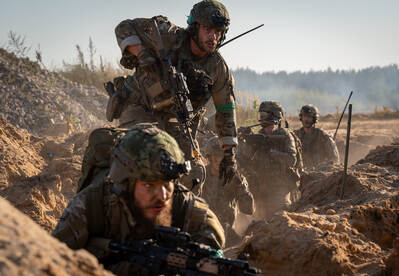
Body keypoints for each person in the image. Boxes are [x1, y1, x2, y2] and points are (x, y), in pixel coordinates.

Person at [53, 124, 225, 275]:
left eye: (167, 184)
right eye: (149, 185)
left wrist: (209, 255)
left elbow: (212, 235)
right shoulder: (89, 206)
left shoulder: (183, 205)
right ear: (125, 184)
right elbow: (50, 263)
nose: (163, 196)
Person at [108, 0, 237, 188]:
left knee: (193, 174)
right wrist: (142, 53)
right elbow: (124, 27)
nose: (213, 36)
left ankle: (178, 213)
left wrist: (229, 154)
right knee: (142, 158)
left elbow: (226, 111)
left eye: (218, 32)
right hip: (139, 107)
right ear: (194, 28)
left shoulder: (218, 68)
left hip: (177, 120)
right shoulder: (168, 36)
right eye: (208, 29)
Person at [238, 101, 302, 219]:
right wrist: (244, 141)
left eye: (263, 116)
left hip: (279, 188)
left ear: (273, 116)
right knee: (259, 222)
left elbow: (291, 160)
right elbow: (247, 160)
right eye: (260, 116)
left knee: (281, 218)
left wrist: (273, 152)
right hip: (261, 188)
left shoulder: (285, 136)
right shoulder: (258, 136)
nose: (261, 119)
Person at [202, 136, 255, 247]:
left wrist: (239, 183)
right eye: (215, 155)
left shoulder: (234, 178)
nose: (218, 159)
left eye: (222, 156)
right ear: (210, 157)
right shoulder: (201, 174)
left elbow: (248, 209)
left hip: (225, 231)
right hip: (202, 228)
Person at [295, 104, 340, 170]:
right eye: (304, 116)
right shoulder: (296, 135)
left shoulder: (323, 136)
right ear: (301, 117)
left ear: (314, 119)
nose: (306, 119)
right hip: (301, 172)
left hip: (319, 173)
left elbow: (335, 159)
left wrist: (324, 168)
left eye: (309, 117)